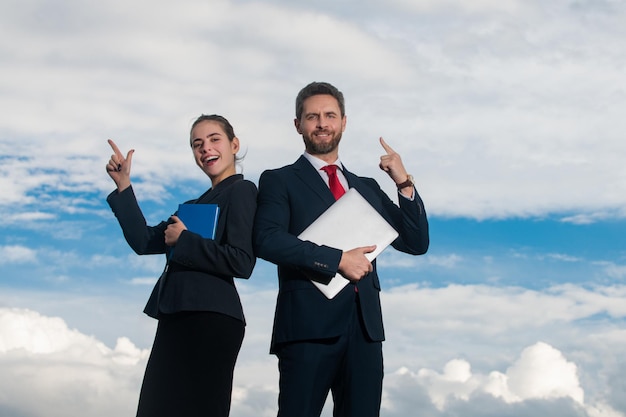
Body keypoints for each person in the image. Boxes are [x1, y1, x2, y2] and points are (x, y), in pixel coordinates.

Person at [253, 82, 429, 417]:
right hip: (307, 328)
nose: (322, 123)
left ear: (344, 122)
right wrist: (337, 260)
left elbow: (416, 242)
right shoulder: (279, 179)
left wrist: (403, 182)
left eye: (330, 115)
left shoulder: (368, 187)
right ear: (298, 125)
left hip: (364, 330)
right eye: (312, 116)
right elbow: (267, 239)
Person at [105, 114, 257, 417]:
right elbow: (143, 241)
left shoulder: (242, 190)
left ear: (234, 144)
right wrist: (124, 185)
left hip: (211, 318)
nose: (206, 149)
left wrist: (185, 240)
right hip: (177, 315)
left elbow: (242, 260)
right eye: (197, 144)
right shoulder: (192, 207)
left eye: (214, 139)